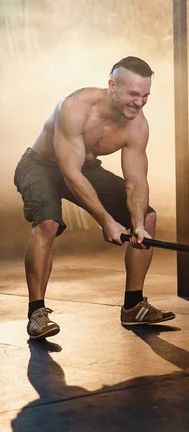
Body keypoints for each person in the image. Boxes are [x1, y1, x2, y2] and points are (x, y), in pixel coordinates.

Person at [14, 56, 175, 340]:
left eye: (146, 96)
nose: (139, 103)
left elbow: (136, 181)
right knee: (48, 223)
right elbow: (70, 173)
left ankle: (133, 305)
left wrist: (136, 224)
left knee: (147, 218)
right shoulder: (75, 108)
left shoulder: (137, 125)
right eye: (133, 94)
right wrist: (106, 220)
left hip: (84, 169)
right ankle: (36, 313)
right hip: (41, 165)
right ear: (112, 86)